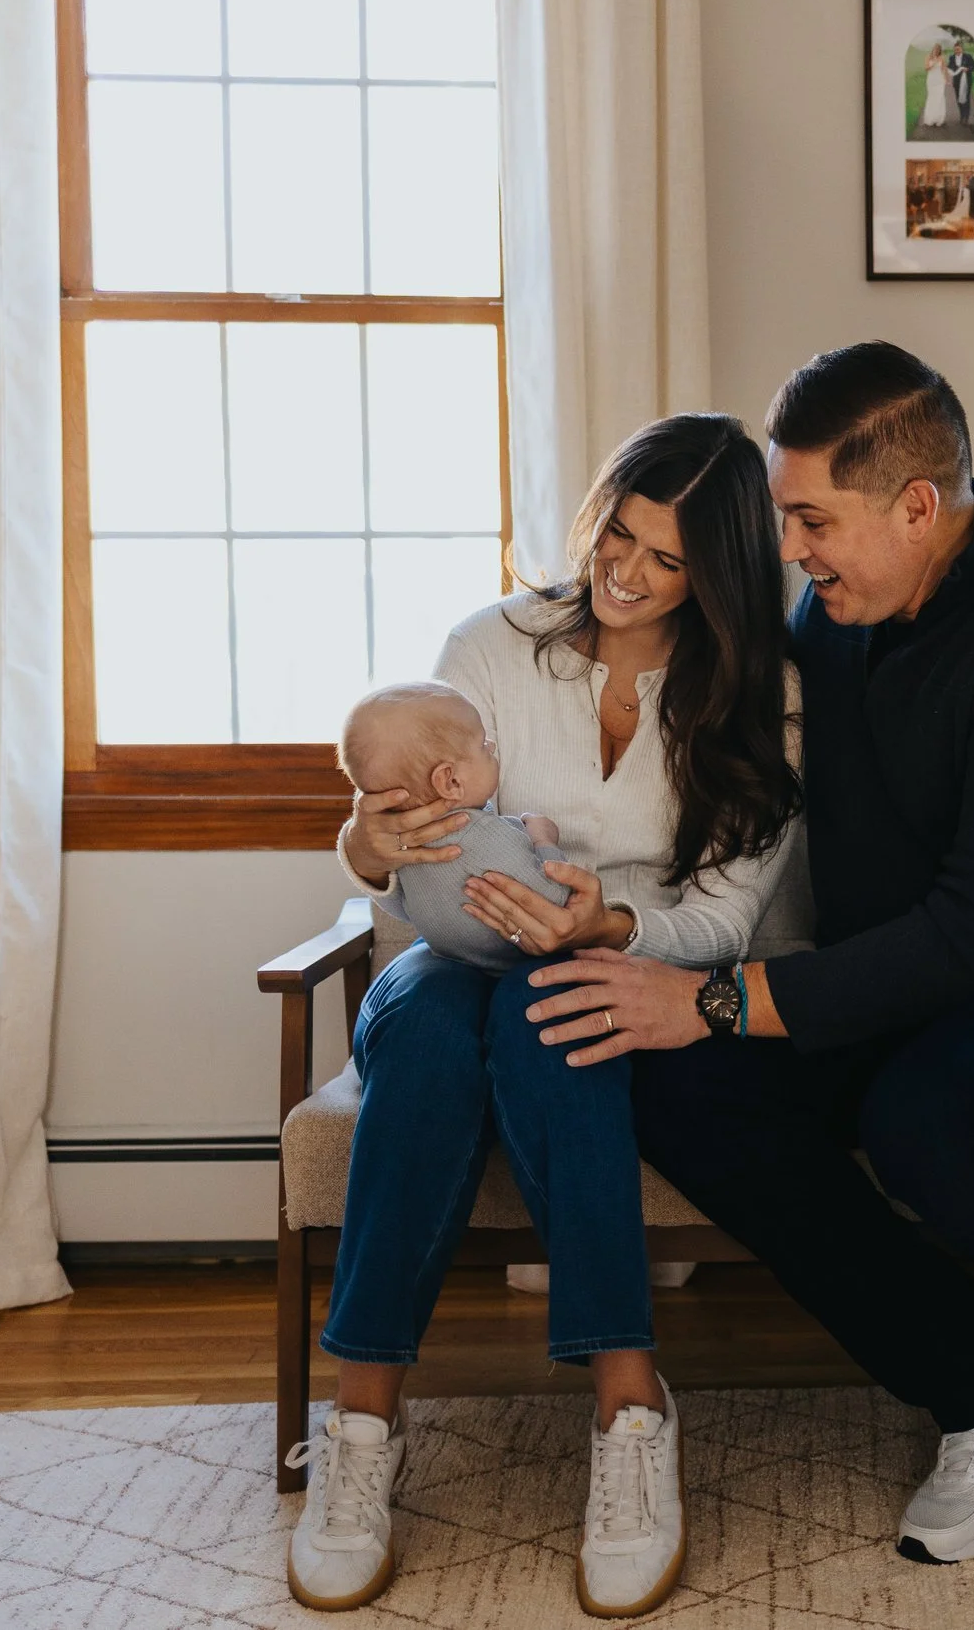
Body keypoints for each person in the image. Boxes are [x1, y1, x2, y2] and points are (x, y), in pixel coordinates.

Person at [526, 342, 974, 1591]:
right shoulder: (843, 610)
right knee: (683, 1085)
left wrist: (714, 995)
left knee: (940, 1113)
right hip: (915, 980)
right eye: (784, 518)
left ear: (917, 505)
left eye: (813, 518)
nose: (794, 550)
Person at [284, 413, 806, 1619]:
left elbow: (725, 919)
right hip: (444, 951)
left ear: (719, 574)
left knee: (552, 1012)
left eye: (666, 558)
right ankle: (362, 1424)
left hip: (601, 958)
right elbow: (392, 806)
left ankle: (630, 1405)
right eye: (617, 532)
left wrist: (607, 930)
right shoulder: (492, 643)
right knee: (417, 1025)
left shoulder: (760, 695)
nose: (624, 570)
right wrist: (364, 841)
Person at [334, 680, 571, 974]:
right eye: (484, 745)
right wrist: (544, 839)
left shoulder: (406, 853)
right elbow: (557, 900)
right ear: (451, 781)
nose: (493, 747)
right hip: (516, 962)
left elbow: (403, 910)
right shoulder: (485, 836)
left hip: (448, 961)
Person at [946, 36, 974, 127]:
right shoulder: (952, 57)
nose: (957, 51)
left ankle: (966, 118)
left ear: (962, 49)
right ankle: (961, 115)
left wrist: (968, 69)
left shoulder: (968, 56)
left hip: (966, 81)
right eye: (955, 50)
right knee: (959, 99)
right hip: (956, 81)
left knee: (966, 99)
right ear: (954, 50)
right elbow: (950, 67)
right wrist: (950, 71)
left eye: (958, 49)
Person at [920, 45, 949, 131]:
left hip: (940, 80)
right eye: (935, 49)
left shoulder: (942, 58)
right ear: (933, 49)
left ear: (940, 51)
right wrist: (934, 63)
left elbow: (944, 69)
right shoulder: (928, 57)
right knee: (932, 98)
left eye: (938, 50)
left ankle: (939, 119)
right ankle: (931, 118)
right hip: (931, 80)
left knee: (940, 98)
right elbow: (926, 68)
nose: (936, 51)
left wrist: (946, 79)